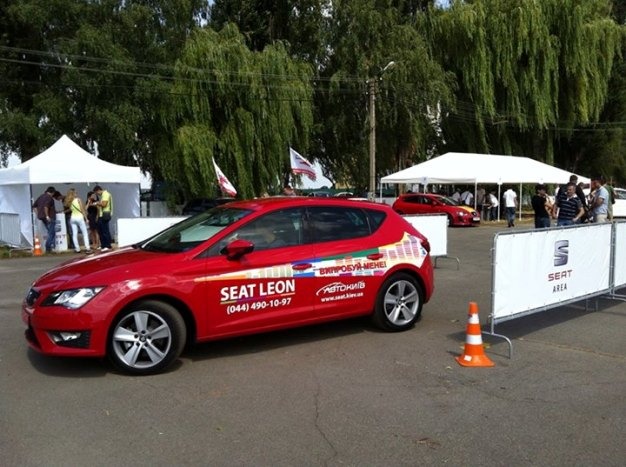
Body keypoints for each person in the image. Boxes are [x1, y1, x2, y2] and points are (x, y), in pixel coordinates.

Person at [65, 188, 92, 253]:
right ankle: (88, 248)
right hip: (79, 217)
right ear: (74, 194)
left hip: (73, 218)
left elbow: (71, 210)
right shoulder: (78, 200)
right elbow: (83, 209)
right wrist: (86, 218)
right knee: (85, 233)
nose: (77, 194)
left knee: (74, 234)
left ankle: (77, 249)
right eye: (76, 193)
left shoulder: (69, 202)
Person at [32, 186, 57, 253]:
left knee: (50, 232)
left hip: (41, 217)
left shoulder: (41, 196)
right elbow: (46, 207)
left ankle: (52, 247)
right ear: (52, 192)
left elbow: (34, 206)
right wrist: (47, 216)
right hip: (50, 217)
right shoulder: (49, 198)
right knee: (51, 233)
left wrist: (38, 214)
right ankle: (48, 248)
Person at [93, 185, 113, 251]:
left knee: (105, 231)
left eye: (96, 193)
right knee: (101, 230)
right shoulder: (103, 195)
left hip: (105, 214)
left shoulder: (106, 194)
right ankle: (103, 245)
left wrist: (96, 203)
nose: (97, 194)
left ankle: (107, 245)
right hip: (101, 215)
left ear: (98, 190)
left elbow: (104, 204)